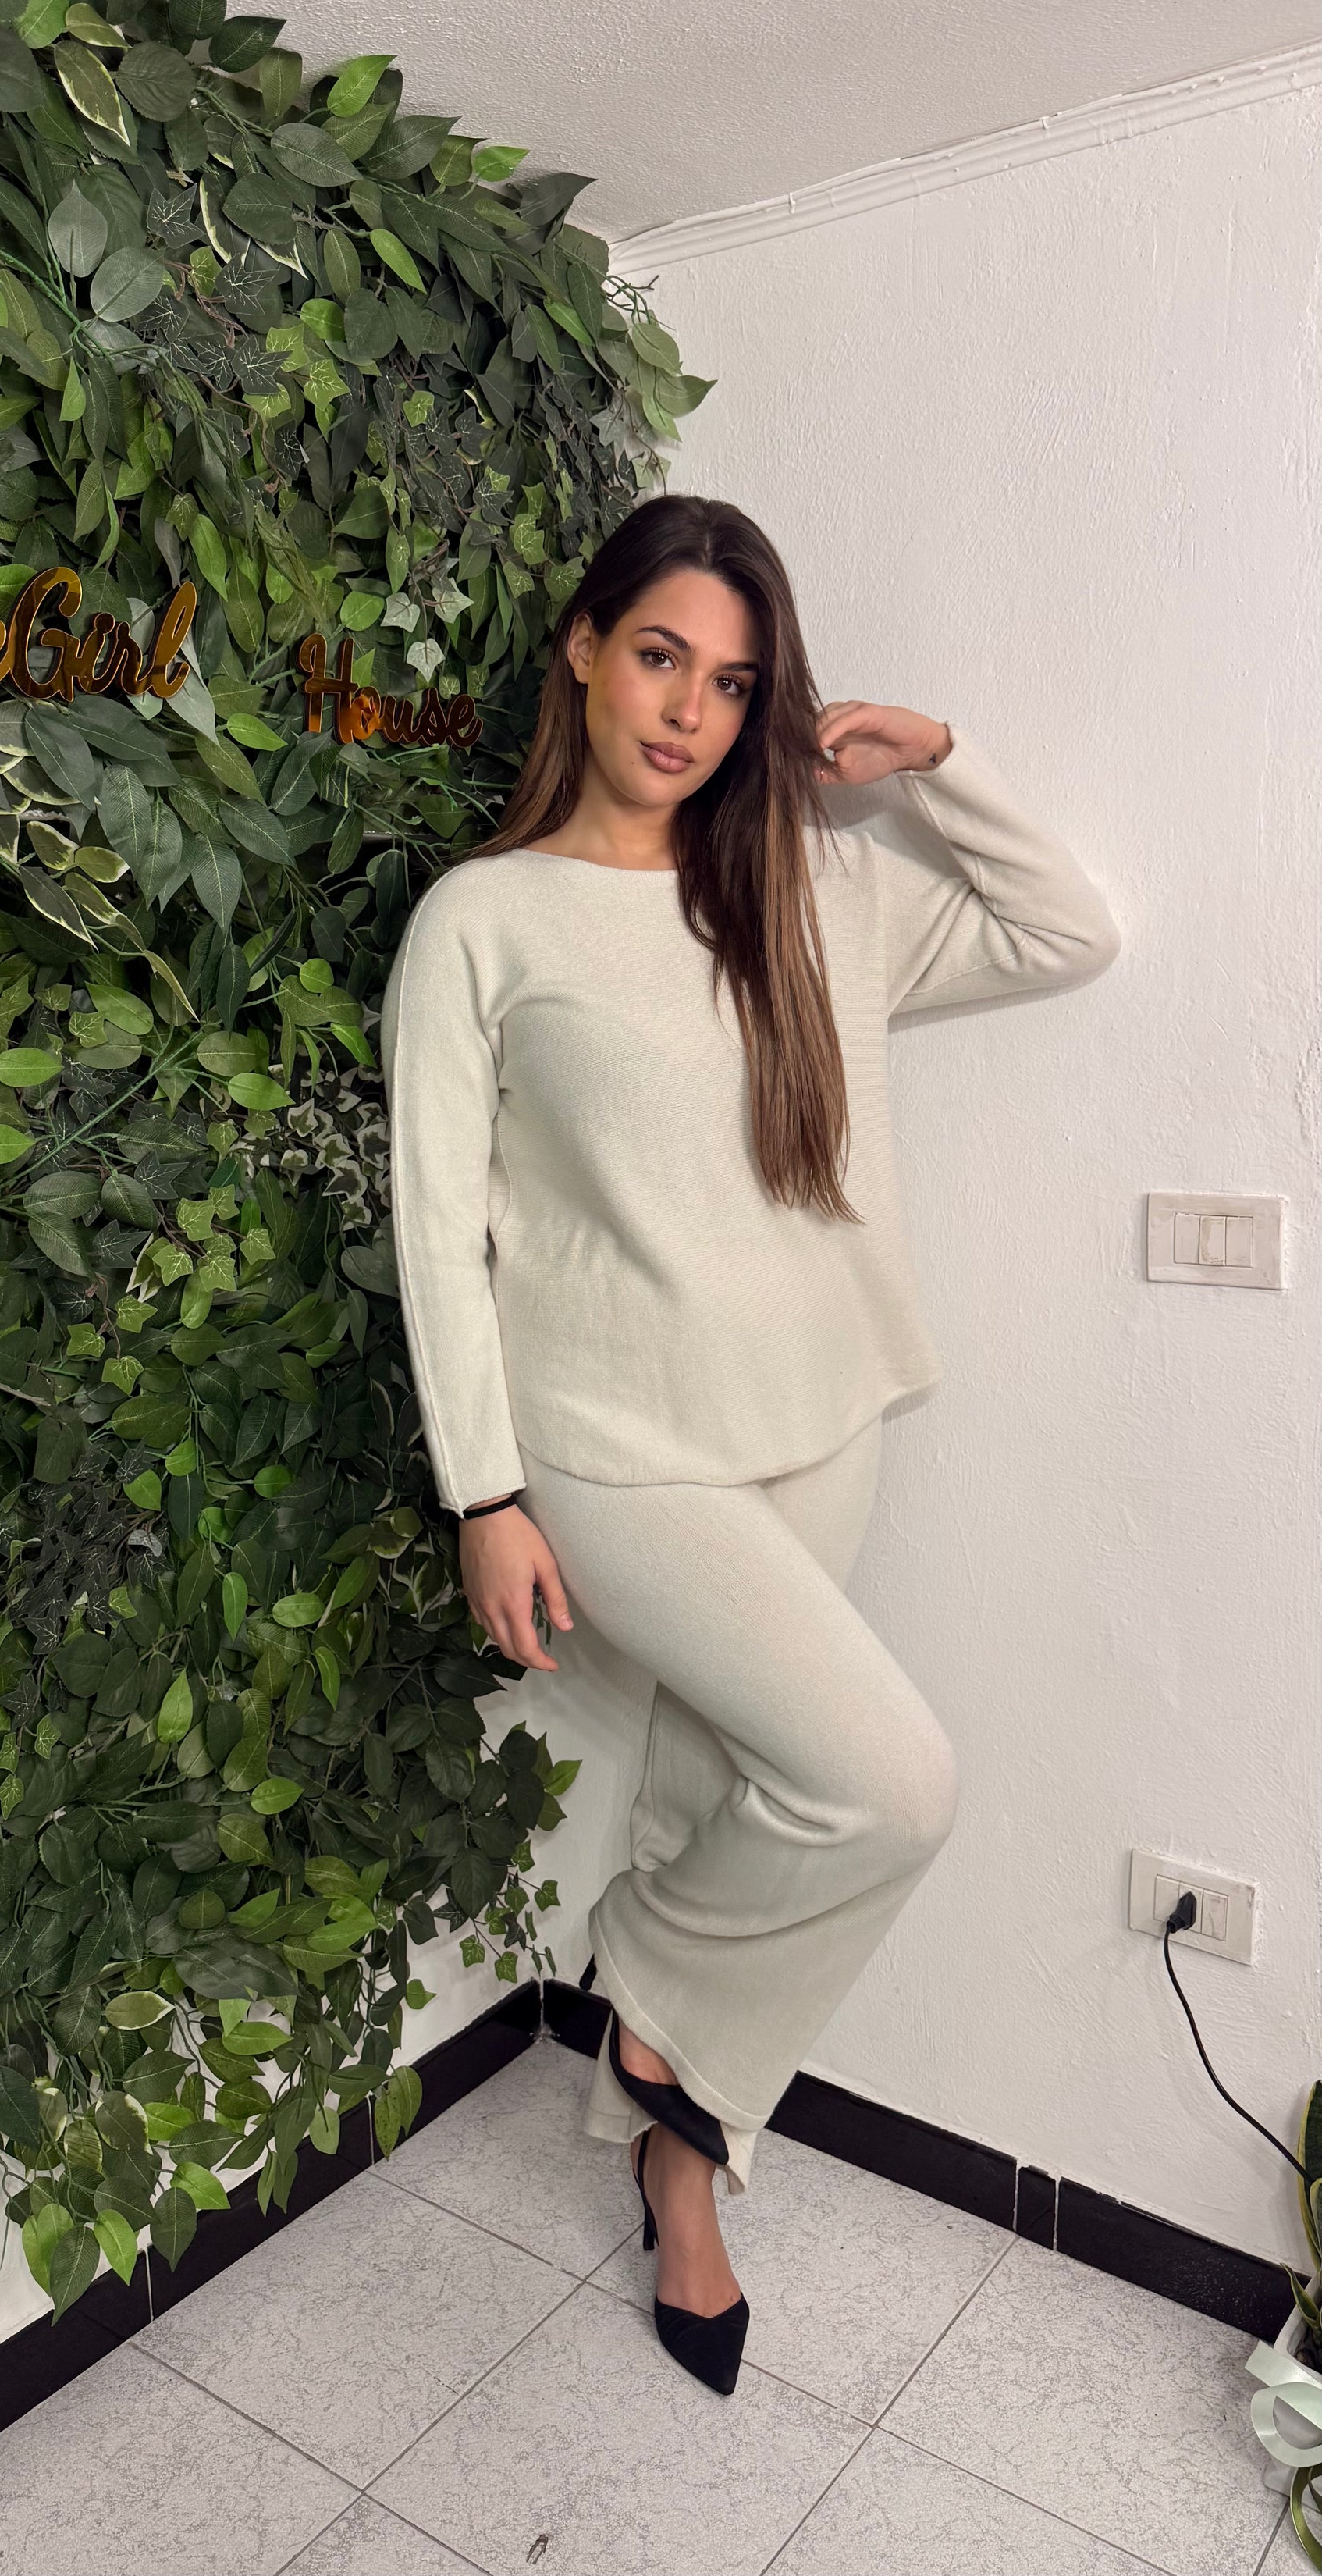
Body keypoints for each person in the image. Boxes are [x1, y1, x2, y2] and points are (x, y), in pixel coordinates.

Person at [378, 494, 1120, 2396]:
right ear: (583, 645)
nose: (687, 711)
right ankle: (647, 1995)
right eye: (659, 657)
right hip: (611, 1445)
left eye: (730, 681)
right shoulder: (483, 918)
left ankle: (677, 2169)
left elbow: (1066, 927)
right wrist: (485, 1490)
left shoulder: (807, 884)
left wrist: (937, 761)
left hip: (820, 1413)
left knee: (738, 1792)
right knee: (891, 1782)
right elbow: (436, 1228)